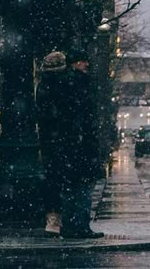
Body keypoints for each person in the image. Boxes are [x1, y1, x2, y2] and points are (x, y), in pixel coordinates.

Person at [58, 48, 104, 239]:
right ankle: (81, 226)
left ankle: (69, 226)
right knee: (83, 187)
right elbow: (86, 116)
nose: (86, 64)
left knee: (71, 188)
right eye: (83, 61)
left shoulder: (63, 83)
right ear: (75, 63)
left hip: (69, 145)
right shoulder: (80, 83)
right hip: (81, 145)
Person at [36, 51, 68, 237]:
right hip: (63, 138)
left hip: (49, 139)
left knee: (52, 179)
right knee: (64, 179)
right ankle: (60, 218)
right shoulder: (66, 84)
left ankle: (53, 218)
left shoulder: (43, 85)